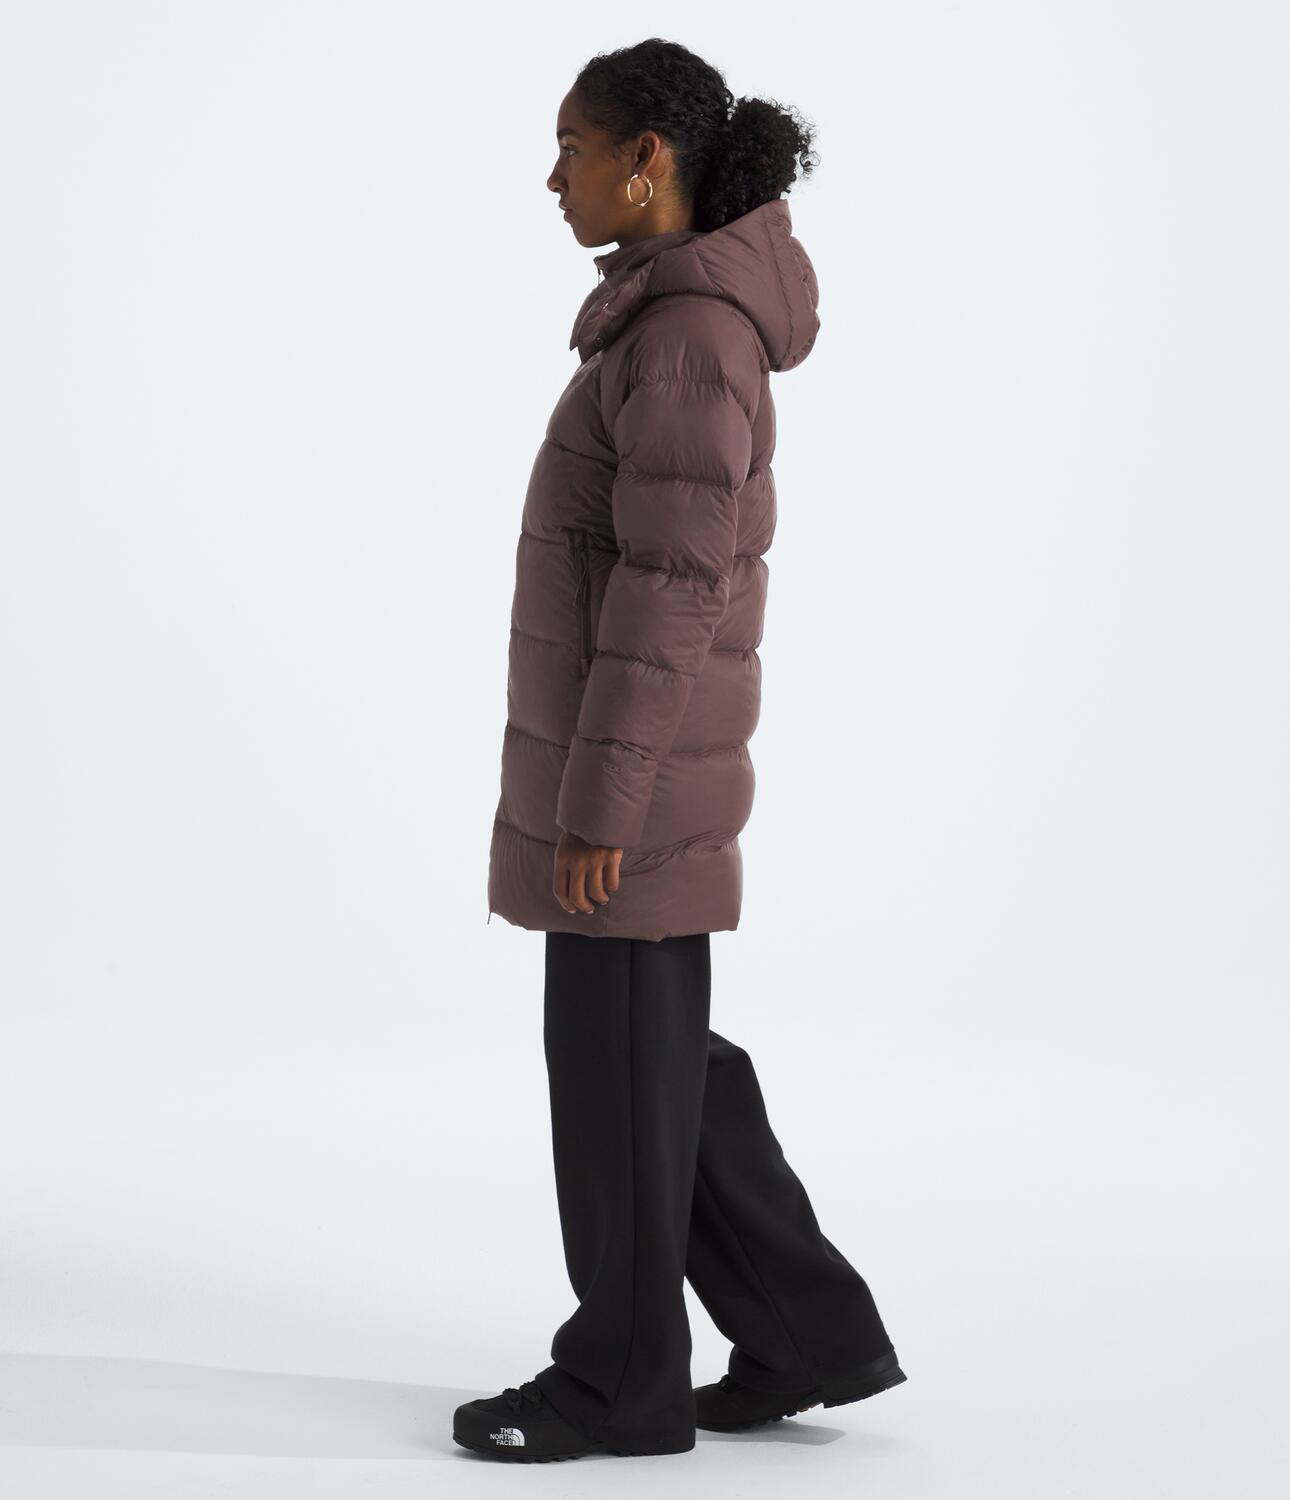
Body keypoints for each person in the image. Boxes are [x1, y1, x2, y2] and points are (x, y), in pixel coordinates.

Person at [458, 38, 906, 1463]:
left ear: (647, 160)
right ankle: (806, 1332)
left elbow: (671, 586)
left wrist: (602, 802)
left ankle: (621, 1386)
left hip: (634, 779)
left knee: (619, 1079)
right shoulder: (669, 319)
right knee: (661, 1069)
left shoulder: (687, 336)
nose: (554, 178)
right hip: (641, 767)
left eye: (573, 147)